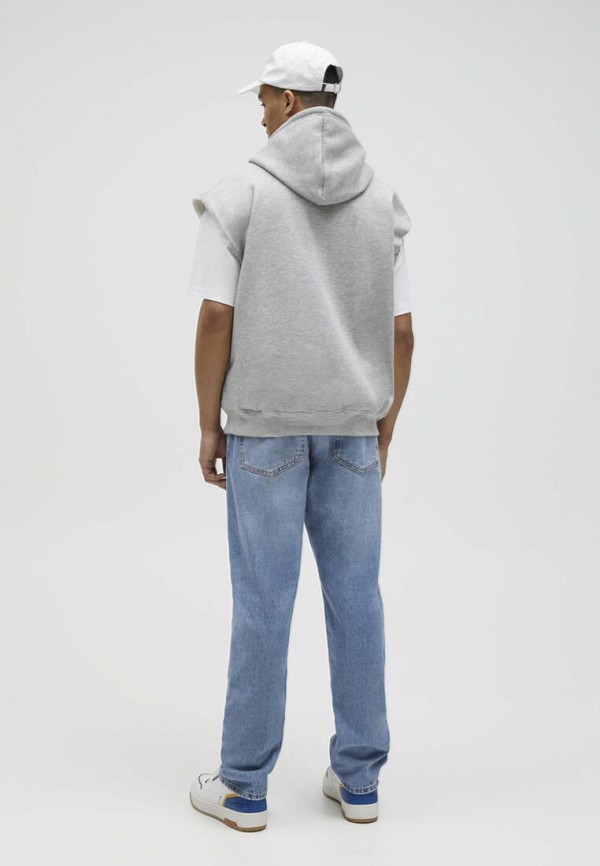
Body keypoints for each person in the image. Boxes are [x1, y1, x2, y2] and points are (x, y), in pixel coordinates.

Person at [187, 41, 414, 832]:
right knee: (357, 600)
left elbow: (215, 317)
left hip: (265, 432)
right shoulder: (381, 200)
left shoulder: (241, 193)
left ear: (288, 101)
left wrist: (208, 422)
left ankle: (244, 787)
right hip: (352, 431)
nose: (259, 114)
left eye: (263, 99)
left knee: (263, 603)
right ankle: (360, 780)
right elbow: (403, 331)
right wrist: (384, 426)